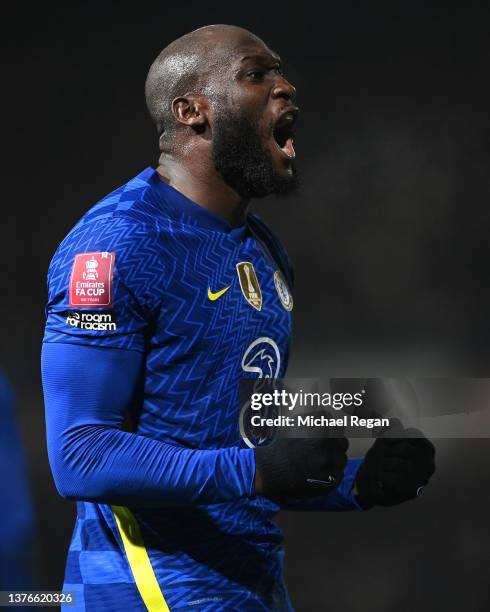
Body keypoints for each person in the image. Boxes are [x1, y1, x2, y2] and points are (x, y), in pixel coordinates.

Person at [41, 24, 435, 611]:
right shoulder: (115, 246)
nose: (286, 87)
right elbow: (82, 455)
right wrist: (255, 469)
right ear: (191, 111)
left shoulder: (263, 250)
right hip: (145, 591)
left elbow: (236, 434)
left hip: (251, 587)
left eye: (279, 73)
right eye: (258, 75)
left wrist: (354, 482)